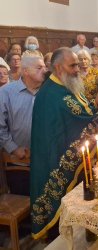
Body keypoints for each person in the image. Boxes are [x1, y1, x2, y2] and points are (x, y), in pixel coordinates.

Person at [30, 47, 98, 240]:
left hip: (64, 149)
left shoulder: (63, 86)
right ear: (58, 67)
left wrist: (94, 105)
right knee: (64, 202)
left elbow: (81, 108)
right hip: (53, 155)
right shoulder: (51, 94)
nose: (77, 69)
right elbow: (78, 116)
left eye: (77, 65)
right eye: (72, 65)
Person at [0, 56, 46, 196]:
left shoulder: (48, 91)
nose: (44, 70)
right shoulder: (6, 92)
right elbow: (0, 126)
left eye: (44, 67)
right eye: (39, 68)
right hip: (18, 163)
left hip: (46, 162)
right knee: (23, 203)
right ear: (25, 71)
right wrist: (13, 148)